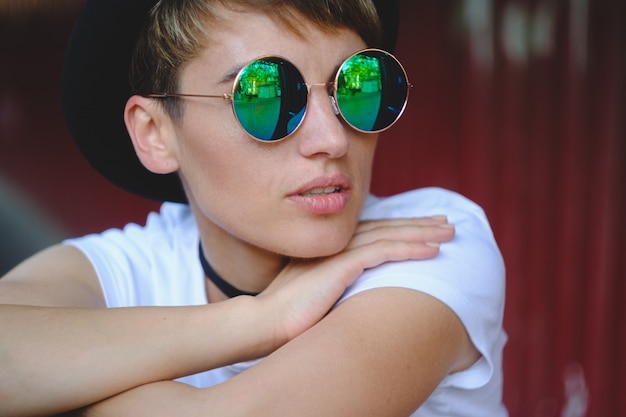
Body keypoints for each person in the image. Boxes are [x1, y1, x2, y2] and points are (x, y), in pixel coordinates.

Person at [0, 0, 507, 416]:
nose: (331, 138)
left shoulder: (434, 244)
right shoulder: (128, 269)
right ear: (156, 133)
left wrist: (63, 390)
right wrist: (260, 318)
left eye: (357, 86)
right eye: (266, 94)